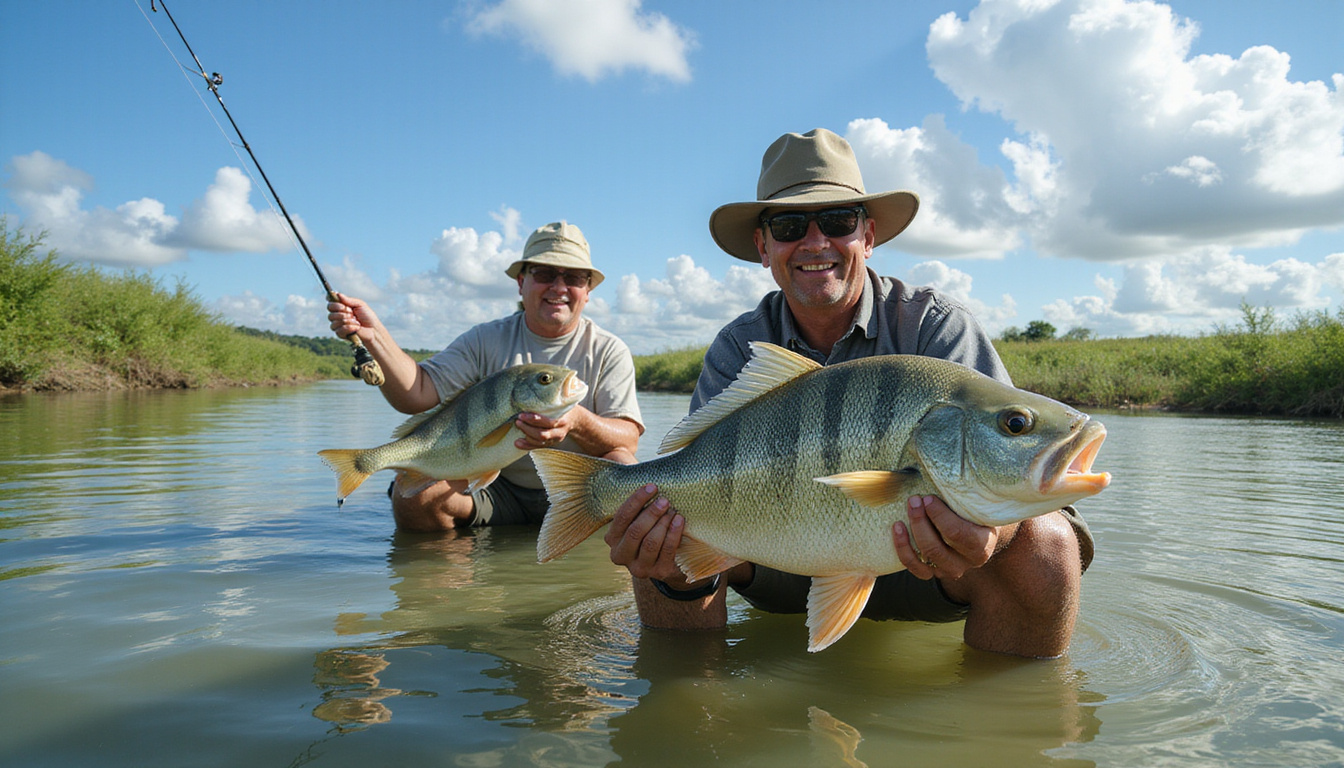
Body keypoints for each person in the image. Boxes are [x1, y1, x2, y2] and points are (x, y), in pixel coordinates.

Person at [603, 129, 1094, 658]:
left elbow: (998, 488)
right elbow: (693, 467)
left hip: (930, 566)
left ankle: (1009, 725)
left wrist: (990, 539)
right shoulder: (739, 346)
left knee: (1045, 542)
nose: (816, 243)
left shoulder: (937, 328)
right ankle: (688, 712)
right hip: (774, 554)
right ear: (764, 247)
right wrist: (673, 567)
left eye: (839, 221)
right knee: (665, 546)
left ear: (869, 235)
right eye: (790, 226)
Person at [329, 221, 644, 532]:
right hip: (493, 491)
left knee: (628, 472)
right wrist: (374, 336)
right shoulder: (484, 340)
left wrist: (576, 420)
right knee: (414, 497)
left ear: (587, 290)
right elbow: (417, 393)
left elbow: (628, 440)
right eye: (545, 274)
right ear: (521, 282)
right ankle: (461, 579)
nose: (559, 288)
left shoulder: (609, 350)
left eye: (574, 277)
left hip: (579, 493)